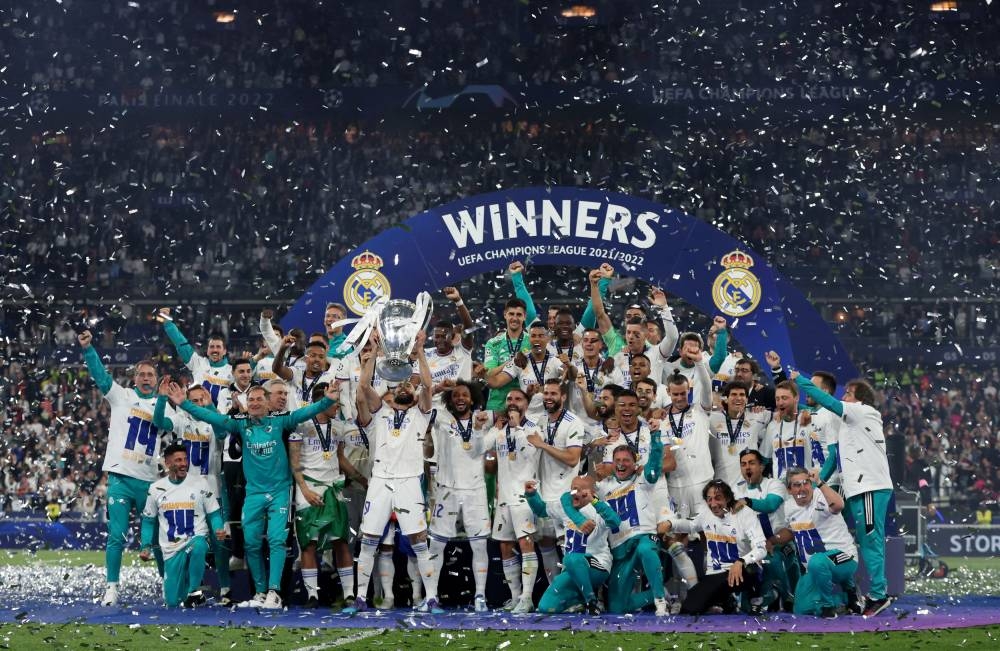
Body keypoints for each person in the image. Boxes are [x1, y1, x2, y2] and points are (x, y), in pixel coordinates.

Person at [163, 379, 340, 609]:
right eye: (252, 399)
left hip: (279, 492)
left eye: (259, 399)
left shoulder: (280, 421)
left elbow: (306, 412)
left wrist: (327, 400)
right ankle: (259, 592)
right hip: (253, 494)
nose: (255, 403)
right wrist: (185, 404)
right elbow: (214, 418)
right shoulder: (241, 425)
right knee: (251, 544)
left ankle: (275, 593)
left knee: (277, 540)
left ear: (268, 403)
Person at [792, 371, 894, 616]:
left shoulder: (863, 411)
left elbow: (827, 401)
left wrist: (799, 379)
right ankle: (865, 593)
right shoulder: (850, 421)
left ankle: (879, 595)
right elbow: (818, 408)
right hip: (859, 488)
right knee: (865, 539)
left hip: (870, 486)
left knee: (871, 540)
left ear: (858, 399)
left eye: (847, 393)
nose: (843, 396)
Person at [349, 332, 437, 614]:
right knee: (369, 540)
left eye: (408, 386)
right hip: (381, 481)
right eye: (398, 385)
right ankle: (361, 597)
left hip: (410, 481)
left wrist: (420, 350)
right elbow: (363, 385)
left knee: (419, 540)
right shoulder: (379, 413)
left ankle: (431, 597)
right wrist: (374, 351)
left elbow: (428, 384)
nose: (404, 388)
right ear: (391, 392)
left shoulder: (421, 414)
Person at [78, 329, 166, 606]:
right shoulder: (122, 396)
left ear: (157, 379)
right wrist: (88, 349)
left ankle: (168, 582)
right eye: (142, 374)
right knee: (116, 535)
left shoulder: (165, 404)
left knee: (157, 538)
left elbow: (170, 427)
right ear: (135, 377)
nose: (146, 378)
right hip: (120, 477)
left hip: (150, 480)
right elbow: (102, 377)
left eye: (150, 374)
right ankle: (112, 587)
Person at [561, 437, 673, 615]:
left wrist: (656, 436)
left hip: (643, 537)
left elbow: (654, 464)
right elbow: (568, 496)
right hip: (619, 549)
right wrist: (579, 516)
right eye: (618, 461)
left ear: (635, 464)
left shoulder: (643, 479)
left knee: (646, 550)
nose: (621, 464)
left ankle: (660, 601)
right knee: (617, 608)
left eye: (626, 460)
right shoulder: (603, 487)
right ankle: (660, 594)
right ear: (612, 463)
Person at [152, 382, 232, 605]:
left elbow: (223, 431)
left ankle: (225, 588)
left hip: (211, 490)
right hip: (184, 494)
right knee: (183, 543)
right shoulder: (181, 421)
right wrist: (161, 399)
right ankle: (185, 587)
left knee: (218, 544)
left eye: (201, 400)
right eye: (193, 400)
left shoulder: (213, 421)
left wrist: (212, 407)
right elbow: (159, 422)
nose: (197, 404)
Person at [289, 381, 366, 608]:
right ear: (321, 401)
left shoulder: (339, 426)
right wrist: (305, 490)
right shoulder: (300, 425)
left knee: (341, 541)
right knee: (309, 543)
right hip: (309, 488)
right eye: (334, 401)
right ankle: (313, 596)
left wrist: (362, 479)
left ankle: (349, 594)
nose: (338, 405)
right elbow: (294, 463)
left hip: (334, 488)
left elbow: (339, 458)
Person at [425, 381, 493, 612]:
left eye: (465, 394)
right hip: (446, 489)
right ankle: (431, 596)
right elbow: (420, 404)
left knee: (480, 545)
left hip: (476, 491)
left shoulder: (484, 418)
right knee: (435, 545)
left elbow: (509, 413)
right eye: (455, 395)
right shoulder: (440, 416)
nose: (460, 398)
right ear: (450, 399)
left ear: (472, 398)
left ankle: (480, 596)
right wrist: (435, 388)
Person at [660, 480, 767, 615]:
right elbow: (691, 525)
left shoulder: (745, 514)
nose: (713, 504)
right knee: (690, 608)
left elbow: (761, 548)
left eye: (718, 498)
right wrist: (671, 524)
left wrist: (742, 561)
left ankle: (754, 598)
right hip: (716, 575)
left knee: (753, 569)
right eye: (709, 499)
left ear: (728, 498)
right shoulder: (706, 513)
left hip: (740, 571)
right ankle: (726, 600)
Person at [139, 442, 226, 608]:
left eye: (185, 459)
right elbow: (148, 521)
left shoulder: (200, 484)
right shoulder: (156, 489)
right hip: (171, 551)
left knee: (199, 545)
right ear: (168, 463)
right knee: (173, 602)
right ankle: (190, 593)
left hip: (195, 540)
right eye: (178, 460)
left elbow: (214, 513)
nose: (184, 464)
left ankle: (194, 592)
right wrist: (145, 546)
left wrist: (218, 528)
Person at [483, 389, 544, 613]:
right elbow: (485, 450)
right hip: (504, 498)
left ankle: (527, 598)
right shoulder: (500, 431)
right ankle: (515, 597)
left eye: (517, 399)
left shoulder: (533, 429)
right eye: (509, 399)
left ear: (526, 404)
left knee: (526, 543)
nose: (512, 402)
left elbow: (530, 453)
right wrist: (495, 429)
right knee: (505, 546)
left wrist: (517, 426)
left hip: (524, 497)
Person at [525, 476, 621, 615]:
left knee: (571, 558)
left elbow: (615, 522)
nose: (574, 492)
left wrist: (594, 501)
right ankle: (581, 599)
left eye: (580, 489)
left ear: (590, 491)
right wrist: (532, 494)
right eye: (573, 488)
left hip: (598, 565)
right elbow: (541, 510)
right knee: (546, 607)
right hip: (572, 568)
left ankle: (591, 601)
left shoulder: (598, 507)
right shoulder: (564, 506)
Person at [773, 466, 861, 618]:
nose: (803, 488)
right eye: (797, 485)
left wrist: (819, 482)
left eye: (806, 483)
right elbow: (791, 531)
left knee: (817, 561)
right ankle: (847, 599)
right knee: (801, 608)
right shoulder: (788, 507)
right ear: (789, 490)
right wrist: (771, 540)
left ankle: (829, 607)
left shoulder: (821, 495)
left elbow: (839, 505)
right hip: (815, 568)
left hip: (844, 557)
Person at [528, 378, 584, 587]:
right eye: (546, 393)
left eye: (553, 394)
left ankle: (575, 593)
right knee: (545, 543)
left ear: (563, 397)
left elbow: (572, 459)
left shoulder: (573, 422)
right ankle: (555, 590)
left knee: (567, 546)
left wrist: (542, 445)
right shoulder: (540, 420)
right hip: (544, 494)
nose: (549, 397)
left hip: (565, 495)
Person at [733, 449, 797, 612]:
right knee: (749, 607)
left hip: (779, 542)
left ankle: (787, 595)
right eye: (743, 464)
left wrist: (746, 501)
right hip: (756, 547)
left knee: (773, 559)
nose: (747, 468)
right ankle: (770, 595)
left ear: (761, 467)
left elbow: (770, 505)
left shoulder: (774, 484)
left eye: (752, 463)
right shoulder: (736, 490)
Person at [488, 321, 565, 422]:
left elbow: (569, 378)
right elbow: (496, 383)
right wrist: (484, 374)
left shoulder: (555, 361)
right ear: (529, 339)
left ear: (546, 338)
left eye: (541, 336)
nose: (537, 339)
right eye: (533, 336)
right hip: (526, 418)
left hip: (550, 417)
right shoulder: (520, 361)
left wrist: (568, 367)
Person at [157, 309, 233, 407]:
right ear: (207, 350)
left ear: (224, 351)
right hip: (197, 417)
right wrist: (168, 323)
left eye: (218, 347)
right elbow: (181, 343)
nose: (215, 350)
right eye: (212, 347)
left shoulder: (233, 371)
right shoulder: (198, 363)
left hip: (221, 419)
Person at [709, 381, 769, 487]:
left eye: (742, 395)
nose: (738, 398)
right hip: (722, 485)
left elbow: (784, 414)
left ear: (747, 399)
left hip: (749, 487)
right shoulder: (712, 419)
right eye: (734, 394)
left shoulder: (758, 415)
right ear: (726, 399)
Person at [483, 297, 532, 412]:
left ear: (524, 317)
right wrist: (512, 362)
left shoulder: (531, 342)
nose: (514, 318)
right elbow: (489, 374)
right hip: (497, 405)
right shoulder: (493, 343)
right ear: (505, 315)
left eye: (519, 315)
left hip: (524, 407)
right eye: (511, 314)